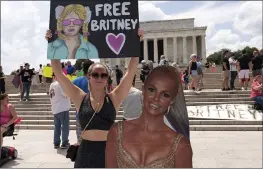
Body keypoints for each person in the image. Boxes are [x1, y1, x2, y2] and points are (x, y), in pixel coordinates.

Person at [45, 28, 143, 168]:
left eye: (103, 75)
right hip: (85, 152)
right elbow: (59, 73)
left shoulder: (114, 98)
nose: (99, 78)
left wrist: (136, 43)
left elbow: (131, 72)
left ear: (107, 79)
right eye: (95, 74)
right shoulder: (80, 97)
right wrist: (51, 43)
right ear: (88, 77)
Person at [106, 65, 192, 168]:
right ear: (143, 90)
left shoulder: (181, 146)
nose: (156, 98)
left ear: (172, 100)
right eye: (151, 90)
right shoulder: (116, 132)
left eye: (165, 95)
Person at [72, 60, 94, 144]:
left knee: (81, 143)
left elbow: (68, 95)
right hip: (94, 116)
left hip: (80, 115)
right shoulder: (96, 81)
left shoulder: (75, 81)